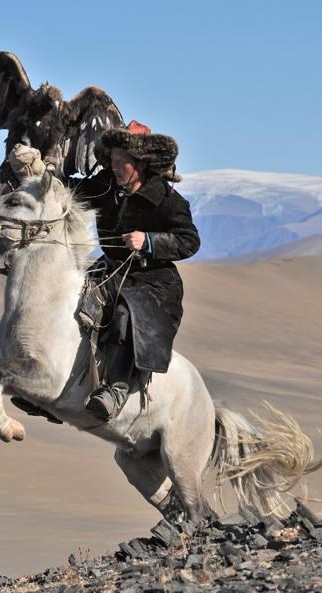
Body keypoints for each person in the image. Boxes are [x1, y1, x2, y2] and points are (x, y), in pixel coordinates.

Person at [69, 120, 200, 421]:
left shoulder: (167, 200)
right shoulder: (105, 188)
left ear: (139, 164)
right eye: (112, 160)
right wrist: (38, 172)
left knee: (126, 315)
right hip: (111, 271)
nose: (113, 167)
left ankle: (116, 388)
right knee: (72, 299)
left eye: (120, 162)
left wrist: (150, 241)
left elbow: (190, 241)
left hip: (154, 282)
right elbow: (70, 188)